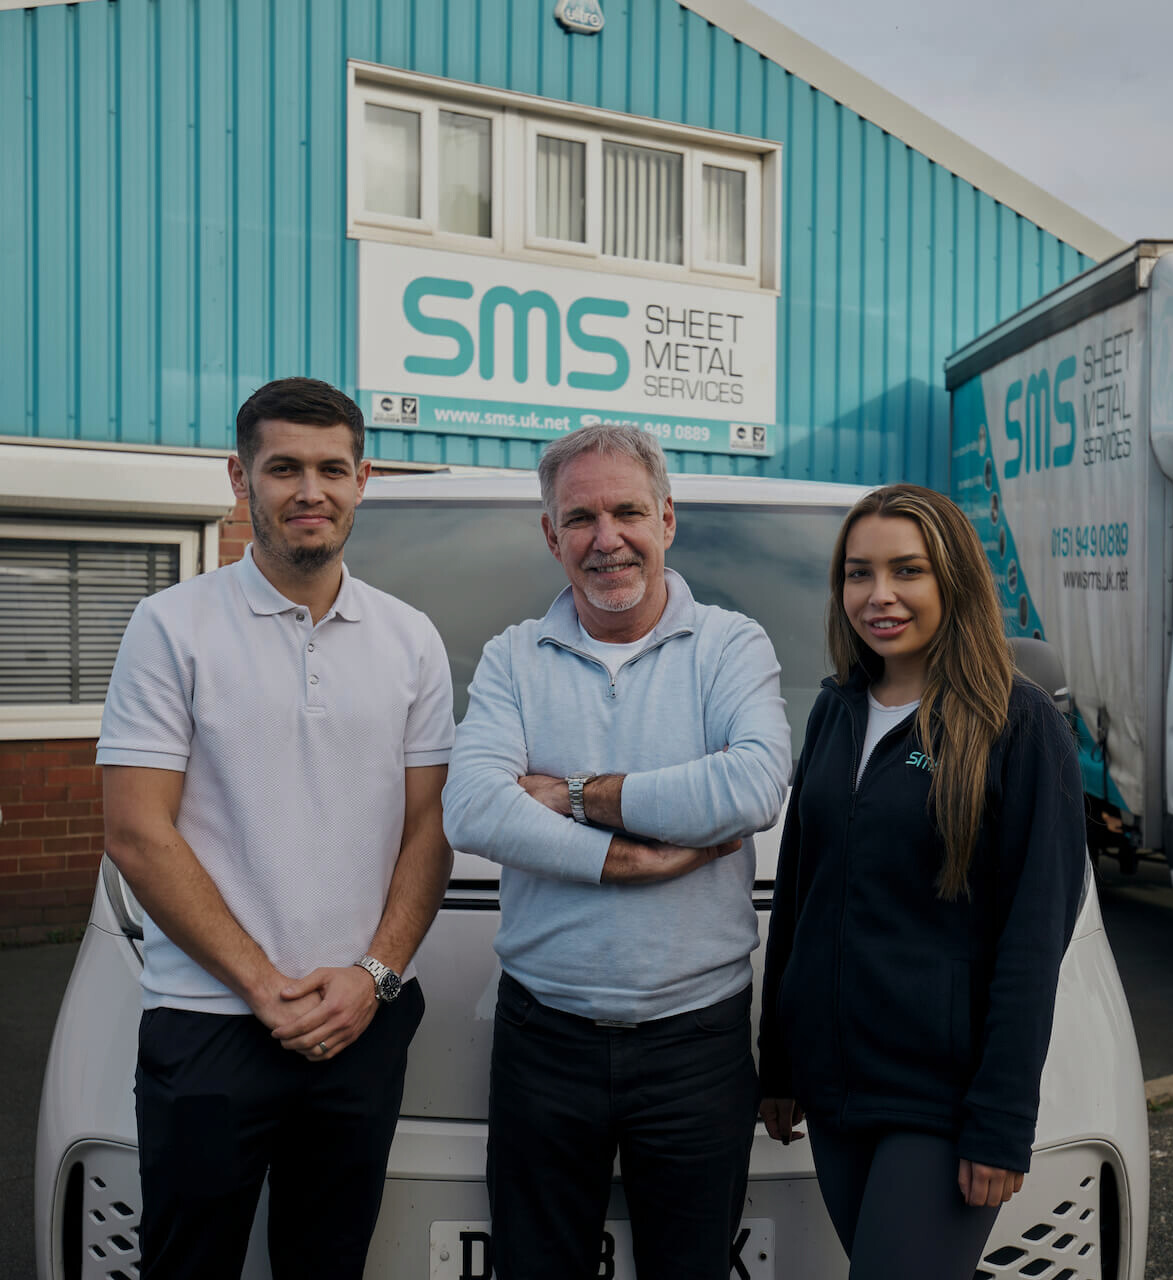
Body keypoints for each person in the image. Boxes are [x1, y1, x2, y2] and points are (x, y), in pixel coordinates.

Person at [98, 377, 455, 1280]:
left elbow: (429, 829)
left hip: (359, 1023)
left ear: (362, 478)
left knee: (328, 1265)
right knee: (188, 1266)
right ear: (239, 476)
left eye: (333, 468)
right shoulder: (169, 626)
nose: (311, 491)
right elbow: (138, 833)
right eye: (284, 467)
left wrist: (374, 977)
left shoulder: (412, 639)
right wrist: (261, 983)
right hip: (210, 1018)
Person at [441, 423, 793, 1280]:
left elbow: (751, 787)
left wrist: (574, 794)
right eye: (581, 518)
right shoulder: (512, 658)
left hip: (696, 1046)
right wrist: (621, 859)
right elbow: (472, 806)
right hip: (543, 1042)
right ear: (551, 535)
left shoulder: (730, 645)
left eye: (628, 511)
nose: (607, 540)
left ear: (667, 519)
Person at [757, 483, 1086, 1278]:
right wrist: (780, 1064)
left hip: (938, 1106)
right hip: (836, 1095)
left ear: (954, 581)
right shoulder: (836, 710)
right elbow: (800, 894)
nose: (880, 596)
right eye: (858, 573)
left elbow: (1034, 938)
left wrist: (1001, 1121)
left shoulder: (1016, 723)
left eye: (908, 571)